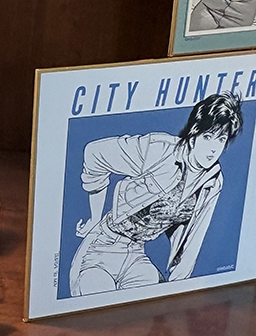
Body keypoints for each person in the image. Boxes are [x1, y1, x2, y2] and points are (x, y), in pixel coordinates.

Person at [69, 92, 243, 296]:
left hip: (136, 256)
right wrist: (94, 217)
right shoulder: (159, 149)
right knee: (97, 299)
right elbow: (94, 153)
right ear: (193, 135)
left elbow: (193, 242)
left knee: (152, 305)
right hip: (103, 245)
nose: (213, 148)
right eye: (207, 137)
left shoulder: (213, 182)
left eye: (220, 139)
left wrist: (179, 286)